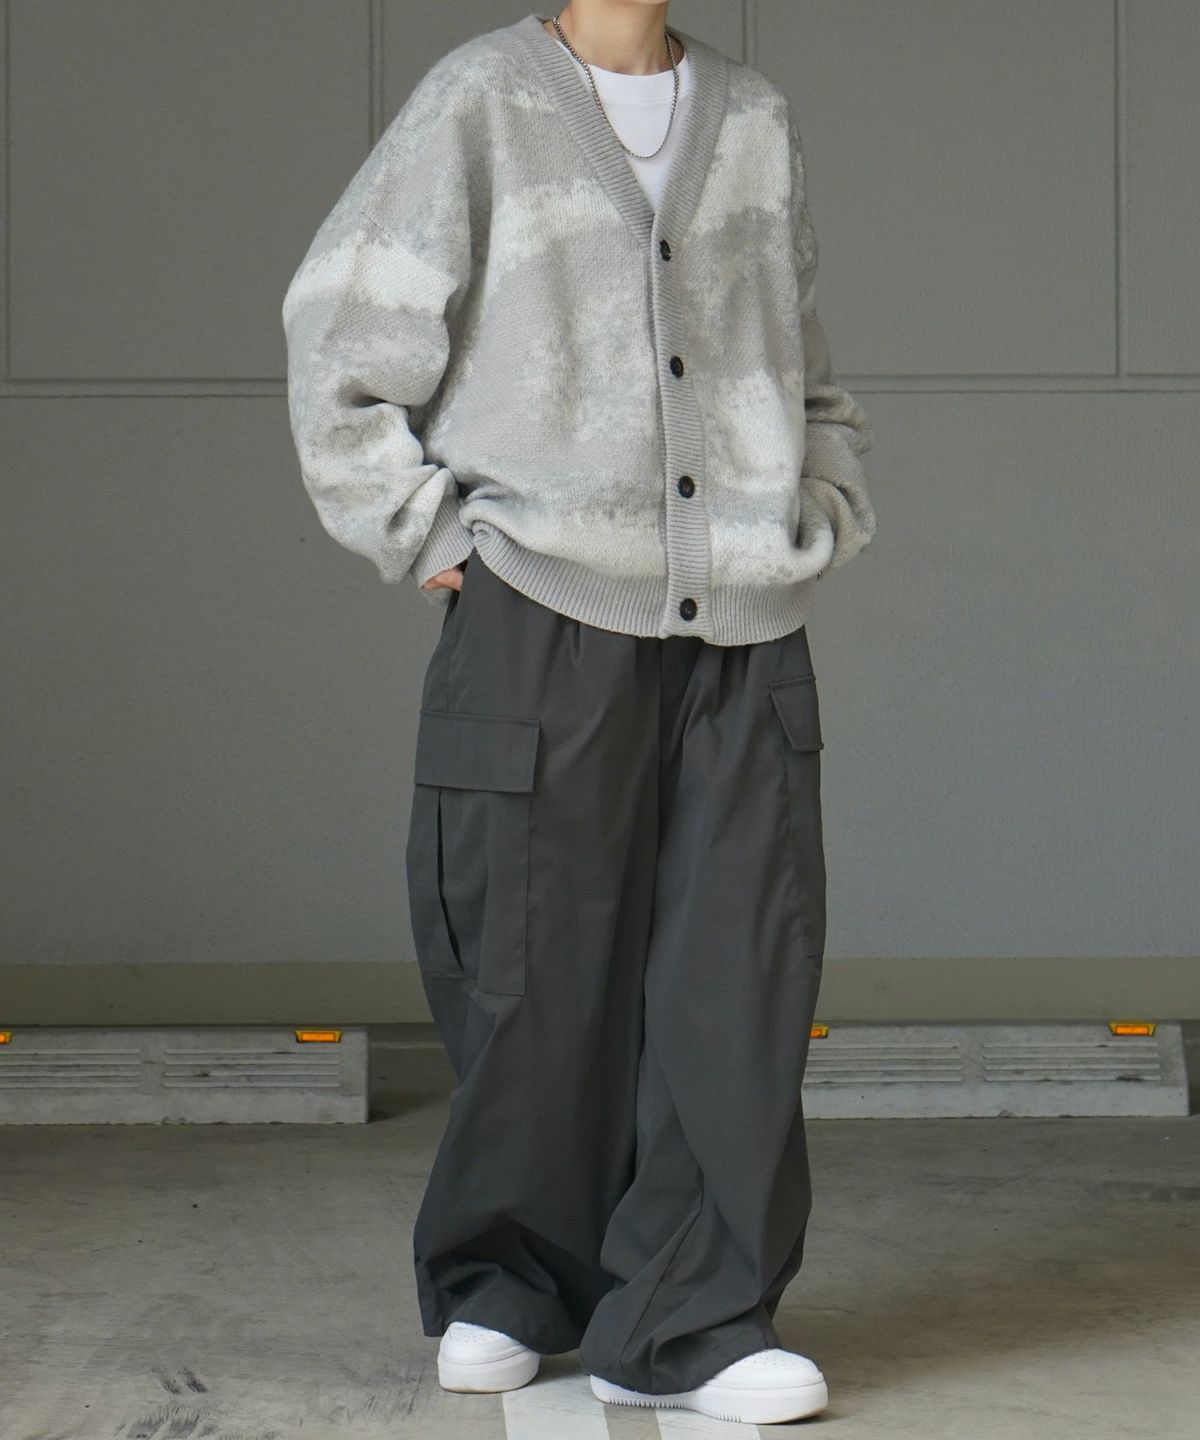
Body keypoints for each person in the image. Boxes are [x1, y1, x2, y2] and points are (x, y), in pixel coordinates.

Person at [282, 2, 876, 1425]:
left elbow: (799, 355)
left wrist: (822, 496)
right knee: (530, 966)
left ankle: (693, 1318)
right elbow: (341, 331)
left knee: (739, 978)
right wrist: (431, 532)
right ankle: (507, 1281)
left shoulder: (754, 119)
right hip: (544, 608)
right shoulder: (481, 99)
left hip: (742, 621)